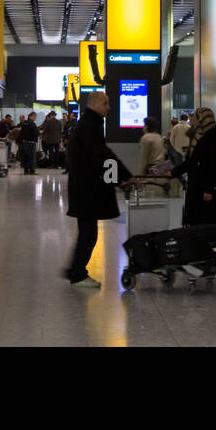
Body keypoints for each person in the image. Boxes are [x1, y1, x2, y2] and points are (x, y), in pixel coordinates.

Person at [65, 91, 131, 289]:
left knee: (88, 232)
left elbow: (103, 155)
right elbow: (102, 156)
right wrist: (123, 178)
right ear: (94, 105)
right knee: (88, 233)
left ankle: (75, 269)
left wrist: (122, 176)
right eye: (106, 103)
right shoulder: (89, 127)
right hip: (86, 190)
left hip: (83, 188)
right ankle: (77, 273)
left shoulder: (89, 124)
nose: (109, 107)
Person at [171, 106, 216, 229]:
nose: (193, 120)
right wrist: (174, 172)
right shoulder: (199, 137)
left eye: (196, 117)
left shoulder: (214, 138)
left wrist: (209, 189)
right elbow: (192, 161)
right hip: (199, 186)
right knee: (201, 222)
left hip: (208, 188)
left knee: (209, 221)